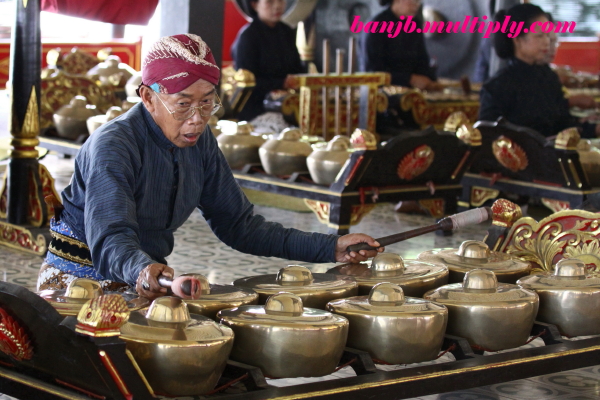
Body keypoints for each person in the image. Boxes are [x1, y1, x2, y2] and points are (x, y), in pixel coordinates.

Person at [37, 34, 383, 299]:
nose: (197, 120)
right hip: (78, 282)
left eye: (207, 103)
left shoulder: (200, 141)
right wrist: (144, 271)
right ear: (147, 97)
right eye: (183, 104)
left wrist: (329, 247)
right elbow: (112, 236)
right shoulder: (113, 145)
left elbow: (239, 225)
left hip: (152, 278)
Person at [479, 3, 599, 138]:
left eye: (548, 36)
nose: (547, 42)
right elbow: (488, 136)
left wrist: (594, 129)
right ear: (518, 39)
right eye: (540, 36)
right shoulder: (498, 86)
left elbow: (562, 126)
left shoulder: (548, 77)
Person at [231, 0, 304, 121]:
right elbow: (247, 82)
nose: (277, 6)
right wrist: (281, 83)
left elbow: (297, 68)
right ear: (255, 5)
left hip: (286, 103)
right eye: (269, 2)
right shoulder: (248, 36)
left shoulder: (287, 32)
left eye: (280, 0)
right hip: (256, 108)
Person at [359, 0, 437, 89]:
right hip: (380, 93)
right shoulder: (375, 25)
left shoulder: (415, 25)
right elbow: (372, 71)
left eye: (418, 2)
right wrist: (409, 79)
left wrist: (430, 79)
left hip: (411, 93)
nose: (416, 5)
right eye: (413, 1)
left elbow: (422, 61)